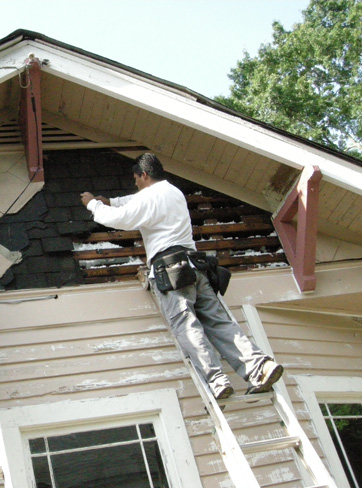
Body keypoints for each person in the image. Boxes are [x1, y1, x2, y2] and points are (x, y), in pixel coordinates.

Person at [80, 153, 283, 399]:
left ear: (144, 175)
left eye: (136, 179)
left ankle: (217, 380)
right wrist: (112, 200)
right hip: (195, 266)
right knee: (218, 321)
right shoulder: (172, 192)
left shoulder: (150, 196)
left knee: (186, 325)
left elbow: (120, 219)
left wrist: (94, 204)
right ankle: (259, 366)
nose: (135, 184)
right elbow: (134, 201)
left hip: (171, 270)